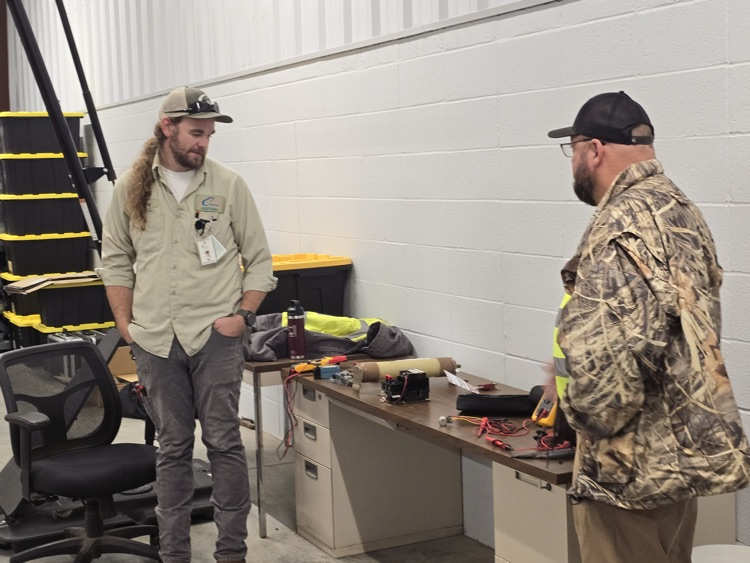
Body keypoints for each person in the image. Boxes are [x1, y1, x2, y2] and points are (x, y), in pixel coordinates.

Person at [547, 91, 750, 563]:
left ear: (593, 150)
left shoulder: (619, 224)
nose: (571, 160)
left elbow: (611, 367)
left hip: (627, 476)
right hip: (674, 467)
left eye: (571, 149)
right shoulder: (679, 210)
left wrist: (578, 417)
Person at [100, 86, 277, 563]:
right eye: (196, 133)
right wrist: (126, 326)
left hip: (215, 337)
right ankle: (175, 555)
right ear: (167, 128)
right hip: (155, 339)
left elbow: (259, 262)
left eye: (209, 134)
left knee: (223, 442)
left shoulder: (228, 186)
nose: (204, 142)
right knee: (173, 448)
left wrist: (241, 317)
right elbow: (115, 261)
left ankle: (230, 554)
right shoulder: (130, 188)